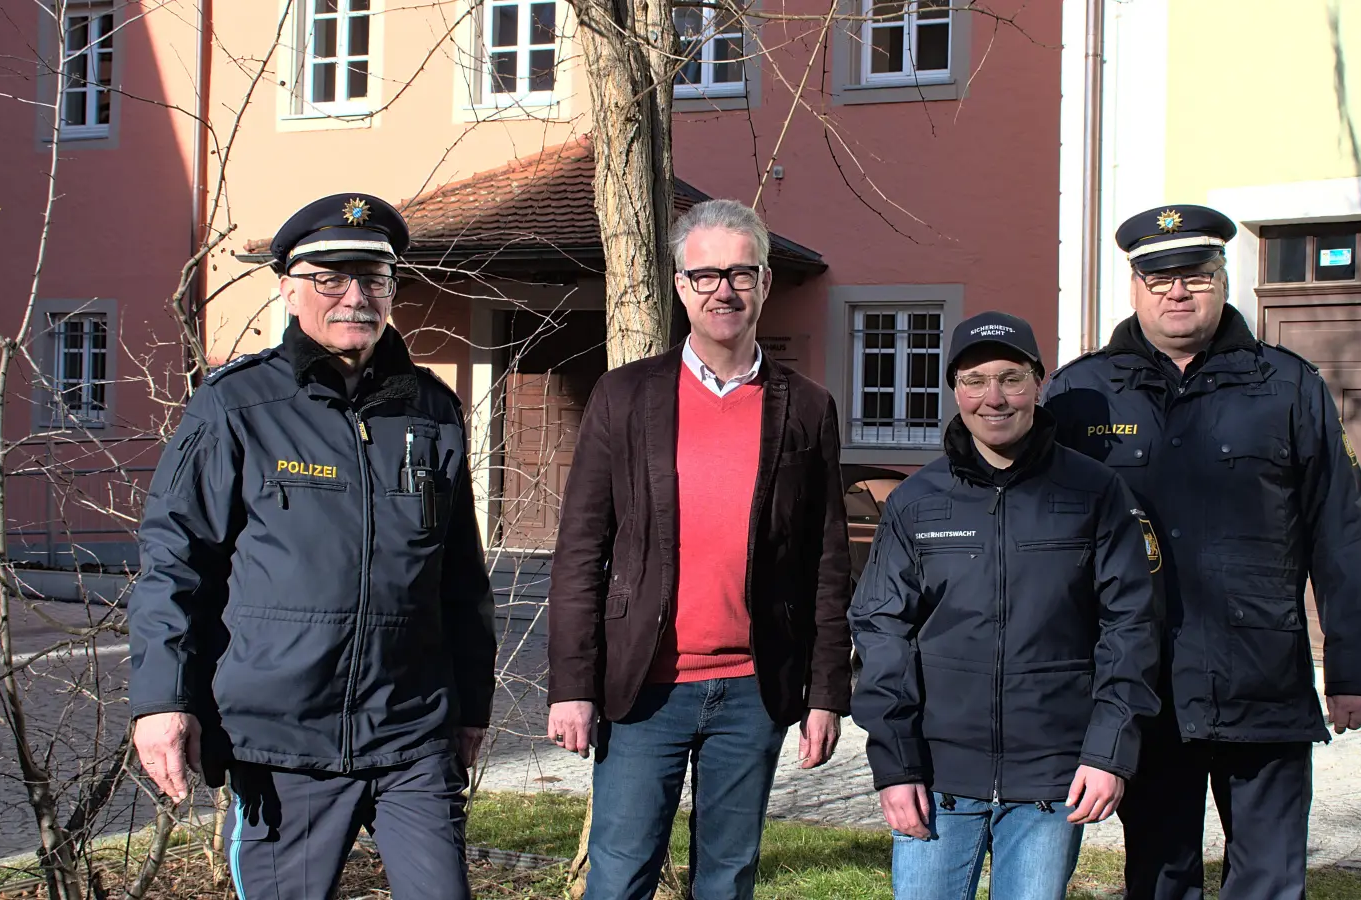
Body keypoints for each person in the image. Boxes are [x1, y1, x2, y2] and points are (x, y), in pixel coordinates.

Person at [129, 193, 496, 900]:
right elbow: (176, 562)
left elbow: (460, 579)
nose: (355, 296)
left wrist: (471, 705)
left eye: (374, 278)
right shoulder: (236, 409)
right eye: (330, 277)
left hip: (411, 729)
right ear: (289, 287)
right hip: (281, 739)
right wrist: (161, 700)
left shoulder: (431, 410)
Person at [1042, 204, 1361, 900]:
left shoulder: (1288, 387)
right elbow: (1042, 541)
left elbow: (1343, 531)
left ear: (1223, 279)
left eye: (1196, 275)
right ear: (1136, 286)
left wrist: (1359, 667)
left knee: (1268, 880)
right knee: (1160, 875)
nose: (1179, 291)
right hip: (1145, 684)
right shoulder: (1080, 393)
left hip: (1261, 681)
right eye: (1160, 277)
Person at [546, 199, 853, 900]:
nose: (724, 290)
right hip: (644, 687)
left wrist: (827, 692)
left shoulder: (806, 407)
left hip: (753, 689)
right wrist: (570, 684)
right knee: (620, 874)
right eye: (706, 274)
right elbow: (579, 551)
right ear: (681, 285)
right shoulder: (625, 397)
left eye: (741, 273)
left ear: (765, 283)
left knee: (729, 876)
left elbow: (826, 563)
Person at [850, 311, 1164, 900]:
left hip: (1051, 781)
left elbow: (1132, 628)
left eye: (1010, 377)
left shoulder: (1095, 492)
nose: (993, 397)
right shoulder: (917, 502)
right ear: (954, 390)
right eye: (974, 380)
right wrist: (896, 766)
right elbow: (880, 632)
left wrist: (1108, 753)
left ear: (1038, 383)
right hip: (936, 781)